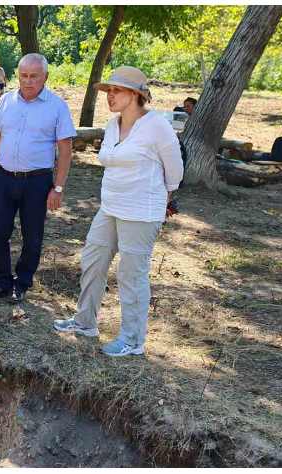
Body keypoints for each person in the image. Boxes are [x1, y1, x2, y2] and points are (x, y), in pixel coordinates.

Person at [53, 66, 183, 357]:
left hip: (140, 211)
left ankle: (133, 339)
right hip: (110, 206)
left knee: (131, 274)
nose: (109, 95)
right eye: (108, 90)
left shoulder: (157, 126)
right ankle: (86, 322)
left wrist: (166, 197)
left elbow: (174, 169)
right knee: (93, 260)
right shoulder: (112, 125)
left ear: (136, 95)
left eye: (117, 90)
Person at [0, 53, 76, 303]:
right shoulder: (6, 102)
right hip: (5, 178)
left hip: (37, 182)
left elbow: (65, 149)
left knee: (32, 237)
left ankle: (21, 283)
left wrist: (58, 187)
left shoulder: (57, 106)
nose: (28, 81)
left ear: (45, 77)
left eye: (34, 76)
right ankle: (1, 282)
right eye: (24, 75)